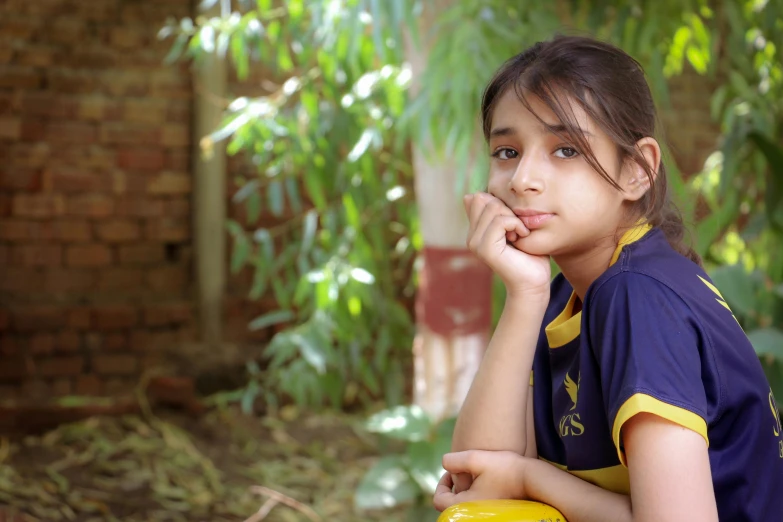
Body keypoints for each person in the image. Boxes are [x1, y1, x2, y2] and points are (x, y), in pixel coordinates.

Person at [432, 35, 783, 522]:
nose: (522, 179)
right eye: (507, 151)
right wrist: (525, 294)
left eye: (567, 150)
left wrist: (531, 478)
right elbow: (476, 486)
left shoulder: (638, 296)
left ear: (637, 171)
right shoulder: (563, 294)